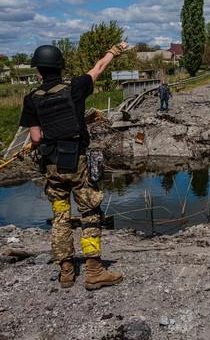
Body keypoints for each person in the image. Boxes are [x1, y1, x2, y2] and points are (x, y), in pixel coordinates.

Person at [19, 41, 128, 290]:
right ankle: (93, 271)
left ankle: (66, 272)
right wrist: (113, 51)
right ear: (60, 67)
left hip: (51, 166)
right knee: (90, 214)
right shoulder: (76, 87)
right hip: (77, 163)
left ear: (38, 71)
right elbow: (98, 68)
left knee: (60, 217)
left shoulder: (31, 99)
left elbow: (35, 138)